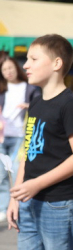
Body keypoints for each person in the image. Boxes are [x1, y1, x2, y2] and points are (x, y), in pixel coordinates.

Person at [7, 34, 73, 250]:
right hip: (30, 202)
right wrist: (16, 196)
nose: (25, 65)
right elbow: (28, 151)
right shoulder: (35, 103)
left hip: (61, 204)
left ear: (56, 63)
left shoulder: (69, 104)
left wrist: (36, 184)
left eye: (33, 59)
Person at [0, 57, 41, 224]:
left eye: (11, 68)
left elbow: (41, 105)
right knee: (2, 173)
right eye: (4, 69)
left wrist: (29, 106)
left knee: (17, 171)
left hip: (20, 136)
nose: (8, 71)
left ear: (17, 68)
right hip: (3, 137)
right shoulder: (2, 90)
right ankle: (3, 208)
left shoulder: (29, 88)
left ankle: (18, 204)